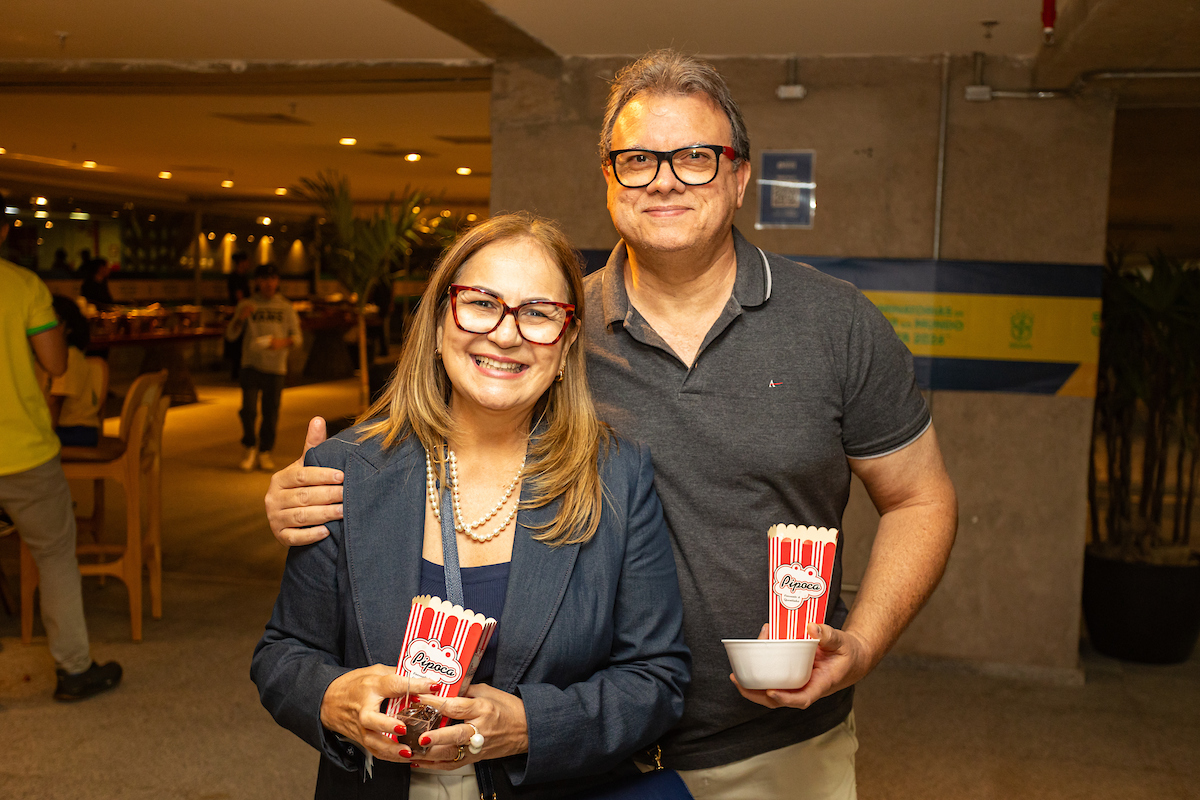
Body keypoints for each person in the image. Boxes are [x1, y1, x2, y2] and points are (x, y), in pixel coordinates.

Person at [265, 50, 957, 799]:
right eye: (636, 159)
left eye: (694, 157)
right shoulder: (546, 323)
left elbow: (921, 497)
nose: (662, 177)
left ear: (739, 176)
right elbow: (410, 449)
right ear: (608, 177)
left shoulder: (836, 325)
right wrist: (302, 494)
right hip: (583, 762)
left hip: (771, 742)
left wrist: (859, 645)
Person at [250, 212, 690, 799]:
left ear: (566, 344)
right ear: (438, 323)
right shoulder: (345, 471)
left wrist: (529, 727)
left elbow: (657, 679)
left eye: (537, 314)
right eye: (481, 303)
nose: (506, 334)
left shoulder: (617, 476)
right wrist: (334, 701)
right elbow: (283, 654)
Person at [0, 200, 122, 701]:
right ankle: (73, 670)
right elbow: (54, 363)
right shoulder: (22, 285)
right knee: (53, 555)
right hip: (23, 449)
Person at [224, 263, 301, 472]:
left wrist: (281, 343)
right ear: (257, 282)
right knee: (248, 409)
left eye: (273, 279)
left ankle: (265, 450)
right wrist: (240, 318)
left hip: (276, 368)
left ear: (278, 282)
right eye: (264, 279)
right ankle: (249, 446)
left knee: (271, 412)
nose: (269, 283)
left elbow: (297, 337)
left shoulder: (285, 307)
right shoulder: (247, 304)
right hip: (250, 364)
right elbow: (231, 335)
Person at [48, 295, 104, 447]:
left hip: (77, 431)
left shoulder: (69, 356)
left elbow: (55, 402)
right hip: (76, 430)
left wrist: (46, 437)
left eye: (54, 322)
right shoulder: (68, 354)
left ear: (69, 328)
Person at [225, 252, 253, 380]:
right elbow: (239, 295)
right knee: (237, 341)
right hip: (238, 312)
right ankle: (236, 372)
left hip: (242, 310)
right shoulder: (235, 277)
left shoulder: (243, 277)